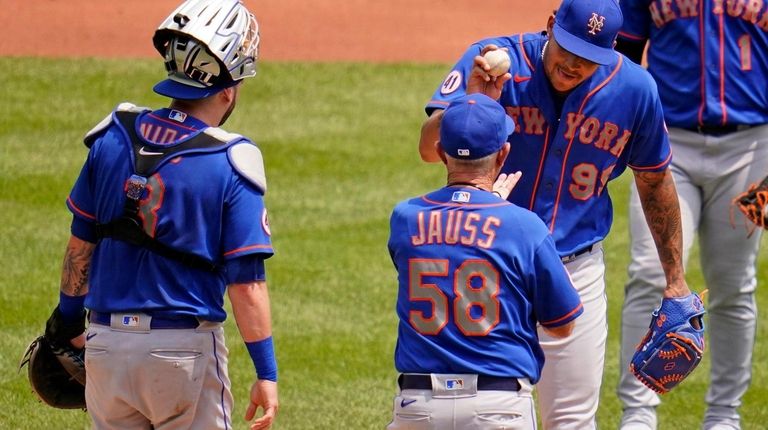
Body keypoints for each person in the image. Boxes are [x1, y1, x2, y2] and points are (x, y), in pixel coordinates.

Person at [418, 0, 694, 428]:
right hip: (492, 267)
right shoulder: (495, 62)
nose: (574, 64)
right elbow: (426, 146)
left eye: (588, 57)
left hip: (575, 270)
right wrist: (472, 99)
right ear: (550, 26)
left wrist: (675, 281)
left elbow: (654, 181)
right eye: (567, 50)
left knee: (573, 420)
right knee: (481, 415)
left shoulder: (635, 91)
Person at [50, 0, 279, 428]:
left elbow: (80, 246)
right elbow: (246, 287)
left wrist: (65, 322)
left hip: (105, 346)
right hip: (181, 354)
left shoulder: (113, 135)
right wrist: (266, 372)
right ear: (229, 88)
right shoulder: (231, 159)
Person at [388, 92, 583, 430]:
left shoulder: (405, 218)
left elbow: (451, 247)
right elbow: (562, 324)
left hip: (417, 408)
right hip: (498, 408)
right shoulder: (523, 226)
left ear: (440, 153)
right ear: (503, 154)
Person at [614, 1, 768, 428]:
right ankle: (638, 415)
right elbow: (624, 54)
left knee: (735, 284)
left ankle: (724, 416)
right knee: (648, 272)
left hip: (753, 149)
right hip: (664, 146)